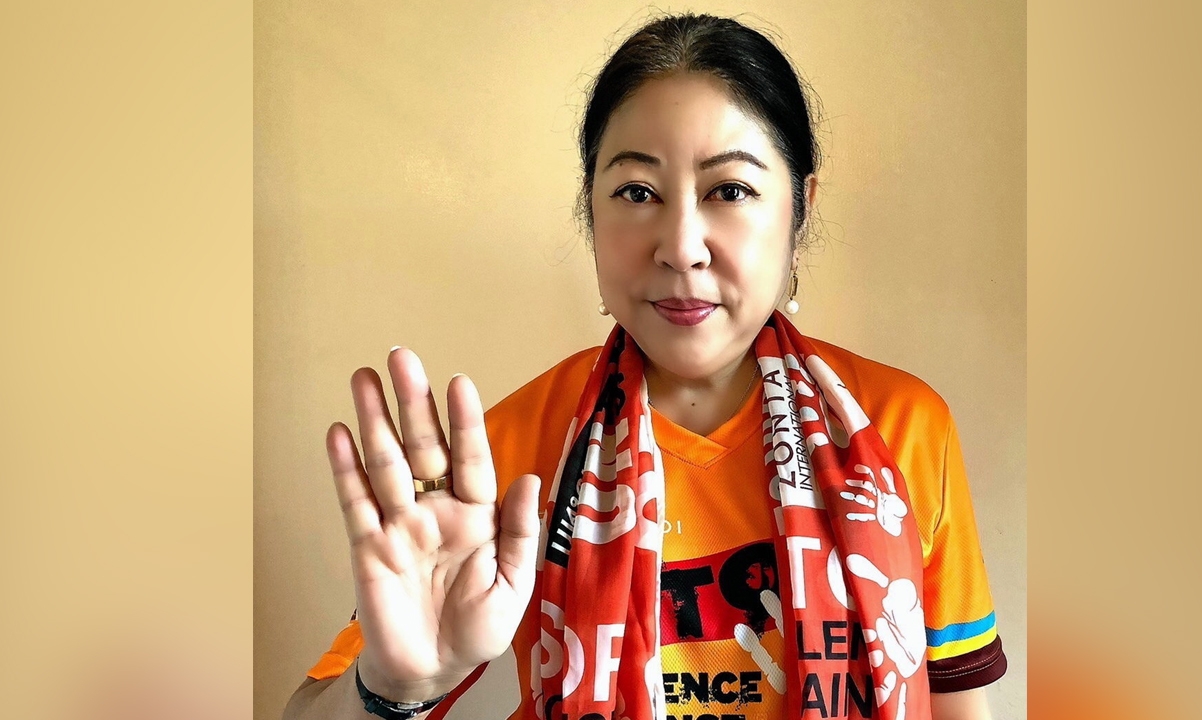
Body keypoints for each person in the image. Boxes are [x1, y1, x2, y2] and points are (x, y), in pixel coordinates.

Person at [283, 13, 1007, 720]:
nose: (681, 247)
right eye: (636, 192)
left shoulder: (901, 430)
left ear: (800, 209)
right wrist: (396, 684)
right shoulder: (508, 461)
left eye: (730, 191)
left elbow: (957, 704)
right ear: (590, 212)